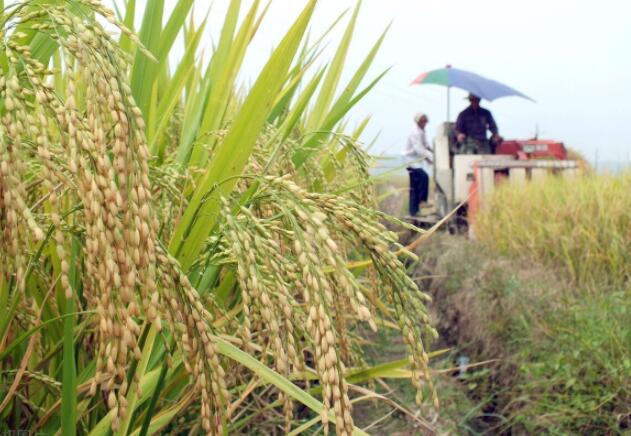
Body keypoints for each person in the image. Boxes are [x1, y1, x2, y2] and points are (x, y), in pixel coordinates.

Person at [404, 113, 433, 216]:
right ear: (418, 122)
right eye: (422, 121)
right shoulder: (415, 133)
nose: (424, 123)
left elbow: (426, 145)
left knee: (415, 187)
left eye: (425, 121)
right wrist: (431, 158)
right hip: (411, 161)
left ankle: (414, 211)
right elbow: (419, 149)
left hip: (416, 162)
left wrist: (433, 151)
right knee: (424, 177)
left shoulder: (422, 132)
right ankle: (422, 201)